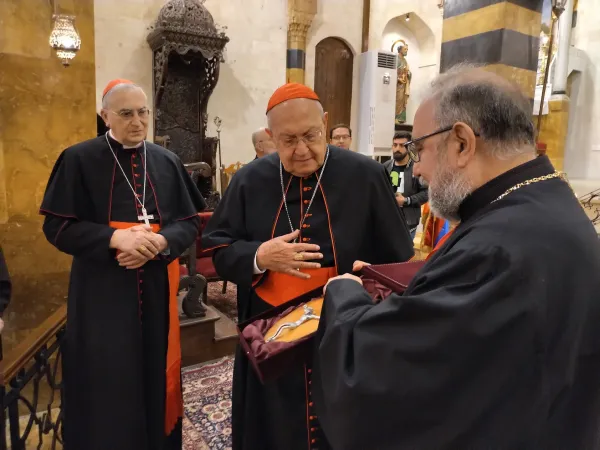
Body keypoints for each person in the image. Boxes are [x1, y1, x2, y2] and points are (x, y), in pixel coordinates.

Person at [312, 66, 600, 449]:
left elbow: (376, 376)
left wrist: (344, 297)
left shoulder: (495, 246)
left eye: (419, 149)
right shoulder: (548, 203)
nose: (417, 168)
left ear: (462, 143)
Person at [202, 83, 414, 450]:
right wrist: (258, 257)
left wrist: (362, 279)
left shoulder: (365, 174)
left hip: (346, 327)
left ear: (326, 123)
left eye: (311, 135)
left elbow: (398, 254)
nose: (301, 150)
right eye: (287, 140)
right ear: (270, 137)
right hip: (272, 331)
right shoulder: (249, 180)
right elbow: (218, 246)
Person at [40, 79, 206, 450]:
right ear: (105, 116)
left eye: (143, 112)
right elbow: (56, 226)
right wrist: (115, 239)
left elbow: (190, 222)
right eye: (126, 113)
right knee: (108, 378)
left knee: (155, 370)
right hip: (102, 294)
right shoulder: (78, 158)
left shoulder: (166, 161)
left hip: (158, 285)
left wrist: (160, 242)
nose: (137, 121)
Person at [383, 131, 428, 238]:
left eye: (402, 145)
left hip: (408, 223)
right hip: (386, 221)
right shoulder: (385, 166)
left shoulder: (417, 168)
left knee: (404, 254)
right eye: (395, 145)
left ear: (409, 147)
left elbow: (427, 193)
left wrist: (406, 200)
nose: (397, 148)